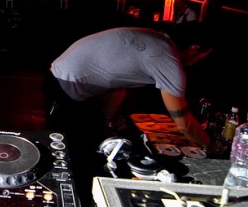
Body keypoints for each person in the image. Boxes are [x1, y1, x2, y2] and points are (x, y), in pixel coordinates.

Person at [47, 22, 213, 149]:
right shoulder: (167, 60)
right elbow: (185, 124)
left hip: (58, 75)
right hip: (66, 87)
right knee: (78, 149)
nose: (194, 63)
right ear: (194, 48)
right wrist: (209, 145)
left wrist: (108, 120)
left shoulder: (156, 37)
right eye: (201, 57)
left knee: (96, 135)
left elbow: (117, 82)